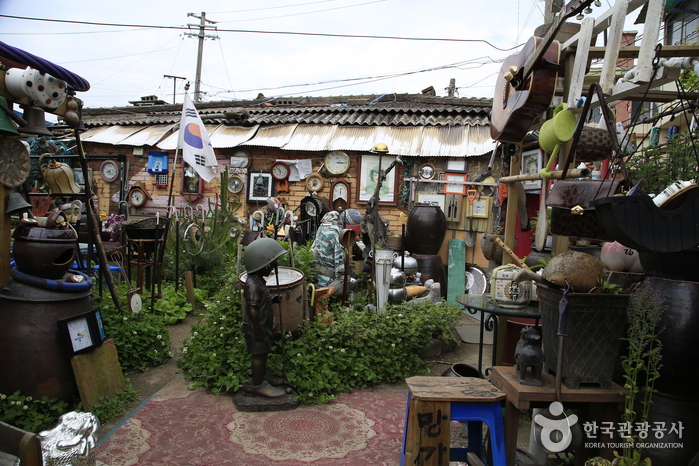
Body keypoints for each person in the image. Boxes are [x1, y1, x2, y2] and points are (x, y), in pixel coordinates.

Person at [242, 237, 288, 398]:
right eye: (271, 265)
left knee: (263, 352)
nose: (273, 268)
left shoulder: (258, 281)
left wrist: (272, 300)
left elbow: (260, 302)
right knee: (259, 355)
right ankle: (256, 386)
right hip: (257, 327)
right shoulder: (252, 285)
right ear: (262, 265)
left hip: (262, 324)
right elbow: (252, 309)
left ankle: (261, 376)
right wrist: (258, 330)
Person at [311, 211, 357, 296]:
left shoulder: (320, 228)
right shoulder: (336, 231)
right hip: (329, 281)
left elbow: (312, 250)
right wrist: (341, 276)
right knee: (351, 282)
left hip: (317, 276)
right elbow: (339, 256)